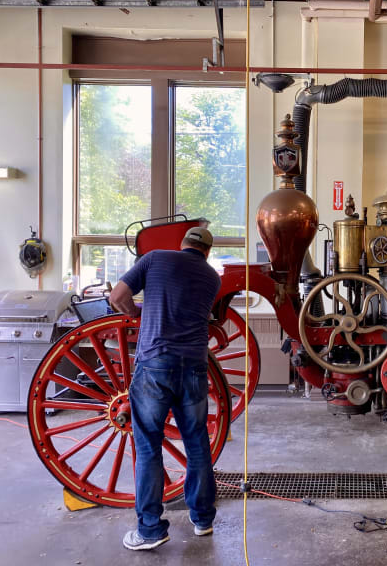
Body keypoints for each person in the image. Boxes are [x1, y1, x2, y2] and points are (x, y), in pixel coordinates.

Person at [109, 226, 222, 551]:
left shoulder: (155, 258)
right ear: (207, 252)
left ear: (182, 243)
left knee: (148, 447)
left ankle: (150, 529)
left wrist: (135, 315)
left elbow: (117, 296)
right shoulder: (212, 277)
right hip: (194, 367)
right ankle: (202, 520)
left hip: (156, 365)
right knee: (197, 443)